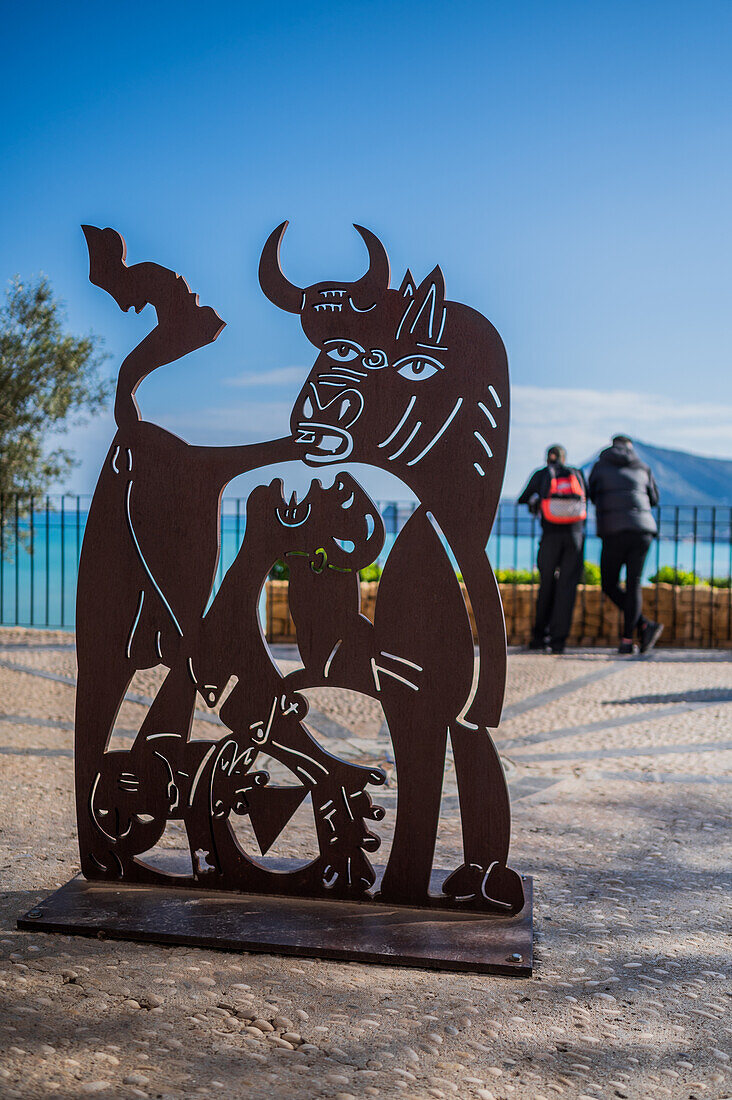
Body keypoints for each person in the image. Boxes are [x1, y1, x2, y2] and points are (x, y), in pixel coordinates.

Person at [588, 435, 664, 655]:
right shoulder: (643, 466)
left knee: (609, 584)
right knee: (634, 584)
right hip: (643, 531)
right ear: (630, 448)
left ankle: (638, 630)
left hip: (613, 530)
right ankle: (630, 637)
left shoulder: (599, 466)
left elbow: (592, 495)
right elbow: (654, 499)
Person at [518, 444, 587, 654]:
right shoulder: (577, 473)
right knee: (566, 588)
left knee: (546, 584)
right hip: (575, 536)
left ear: (547, 458)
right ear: (564, 458)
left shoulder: (541, 474)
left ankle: (539, 637)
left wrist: (536, 500)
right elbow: (587, 497)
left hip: (550, 536)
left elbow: (522, 498)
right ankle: (558, 642)